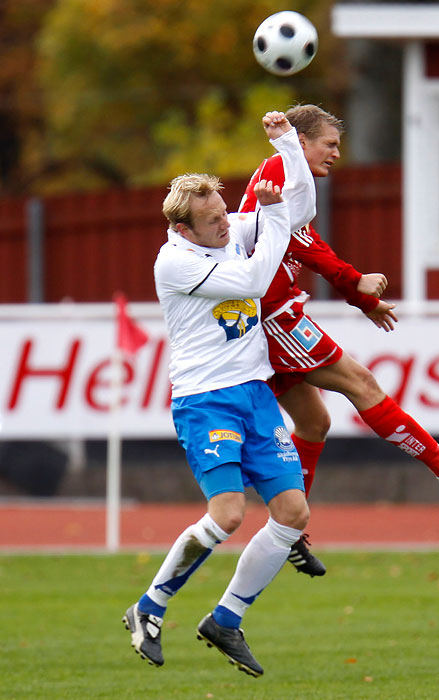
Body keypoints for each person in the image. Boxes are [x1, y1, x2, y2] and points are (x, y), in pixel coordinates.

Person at [240, 105, 439, 575]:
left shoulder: (287, 170)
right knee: (362, 383)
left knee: (315, 423)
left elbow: (301, 237)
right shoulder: (284, 169)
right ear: (301, 142)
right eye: (330, 144)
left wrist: (359, 294)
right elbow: (286, 239)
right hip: (273, 314)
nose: (337, 153)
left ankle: (288, 529)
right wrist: (354, 280)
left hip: (265, 311)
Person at [123, 111, 316, 677]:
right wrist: (276, 218)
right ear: (184, 229)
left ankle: (227, 619)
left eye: (224, 213)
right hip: (206, 399)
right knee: (229, 513)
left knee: (292, 512)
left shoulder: (228, 231)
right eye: (211, 221)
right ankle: (148, 607)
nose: (225, 227)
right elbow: (257, 280)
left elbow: (299, 204)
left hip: (255, 395)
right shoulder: (175, 261)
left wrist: (285, 143)